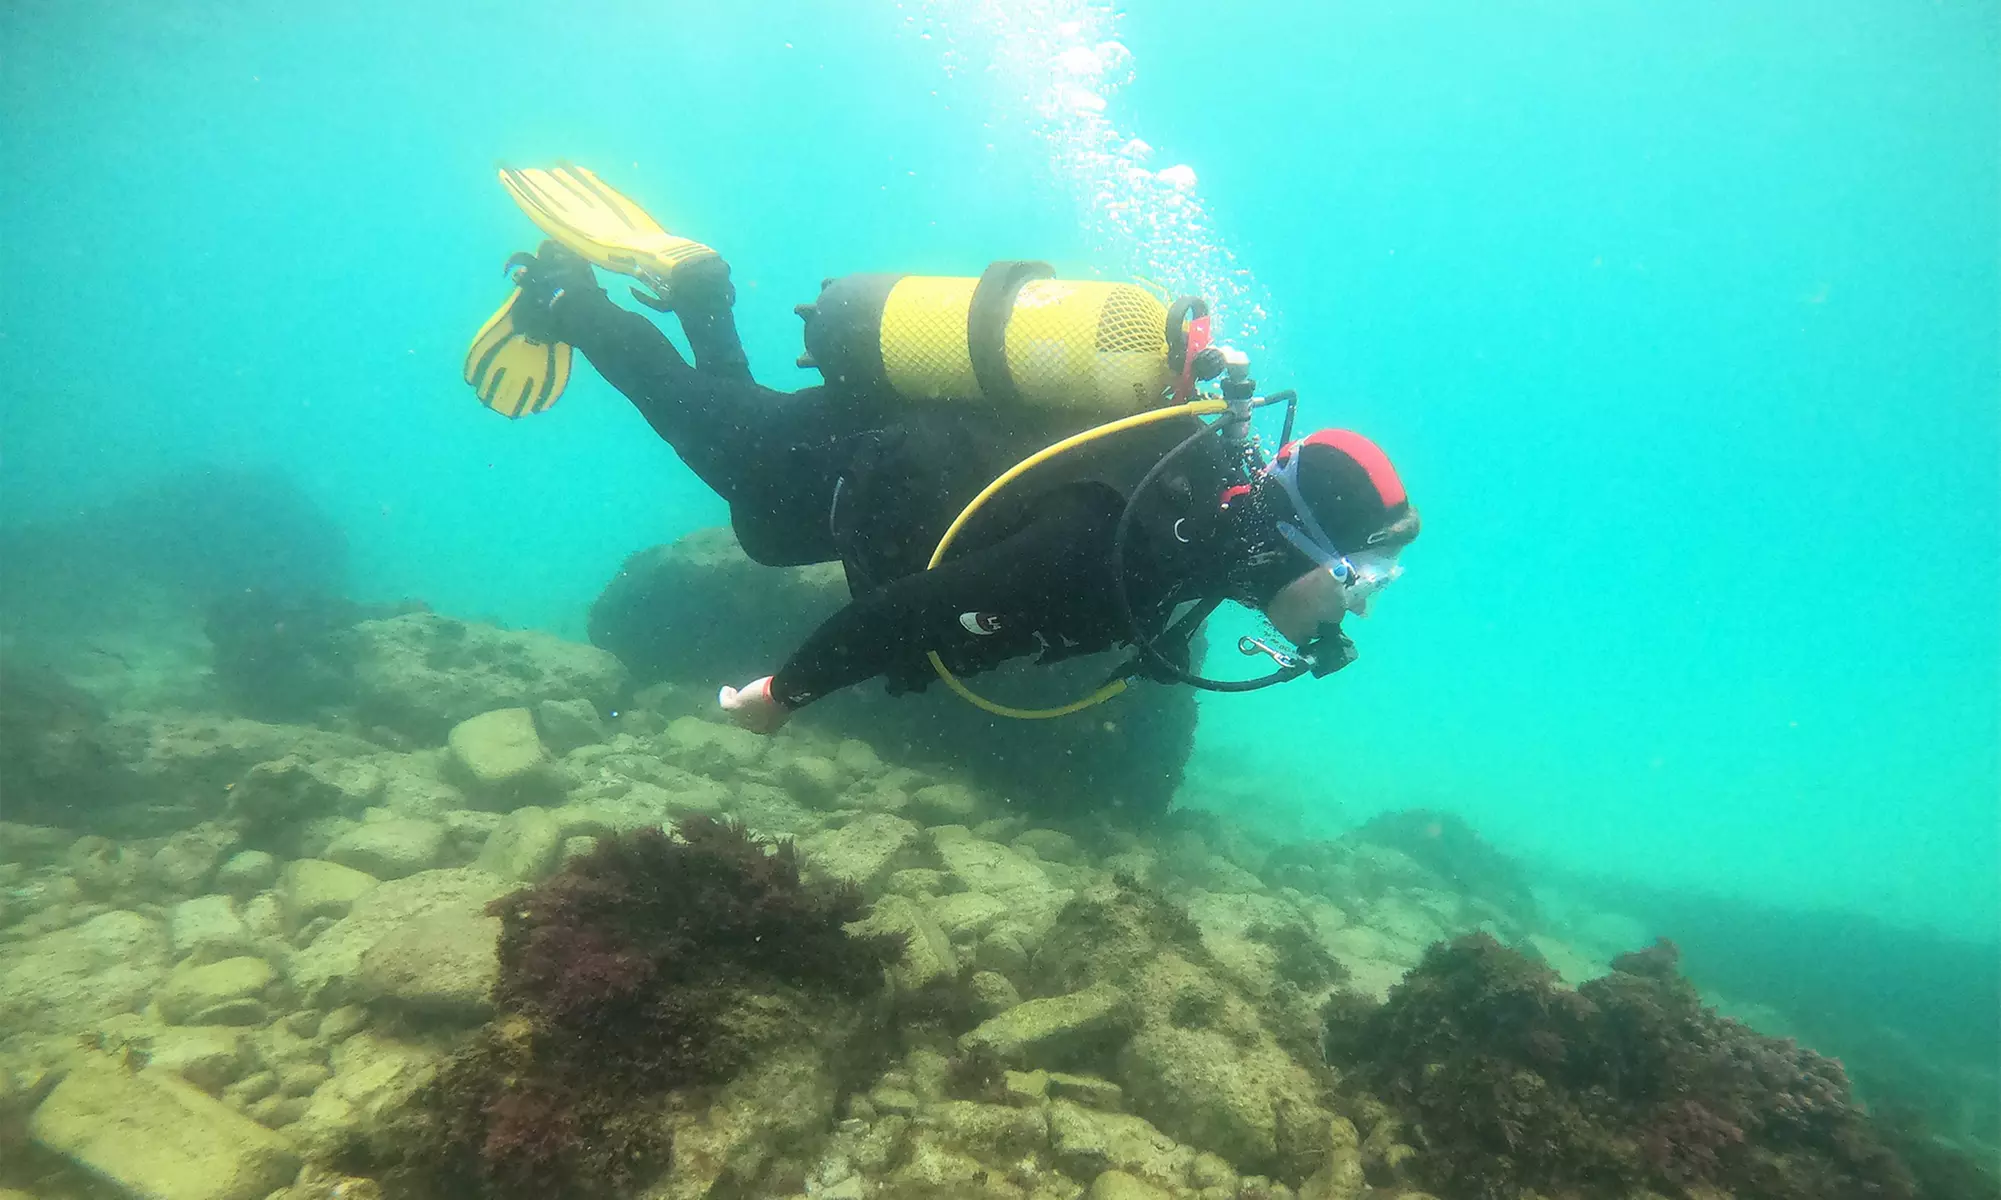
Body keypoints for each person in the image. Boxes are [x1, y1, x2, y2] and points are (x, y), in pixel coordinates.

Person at [492, 191, 1419, 736]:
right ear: (1296, 540)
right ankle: (564, 294)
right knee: (700, 425)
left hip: (861, 489)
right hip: (847, 462)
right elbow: (909, 611)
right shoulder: (1126, 529)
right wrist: (782, 695)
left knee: (755, 509)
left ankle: (701, 294)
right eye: (1360, 570)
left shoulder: (1203, 534)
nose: (1365, 597)